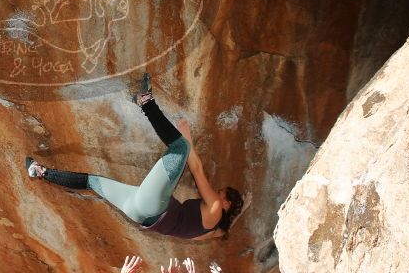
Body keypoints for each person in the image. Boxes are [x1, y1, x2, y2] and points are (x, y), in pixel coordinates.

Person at [26, 74, 245, 240]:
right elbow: (211, 233)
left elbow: (196, 170)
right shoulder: (210, 231)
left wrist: (188, 141)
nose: (215, 193)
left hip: (152, 205)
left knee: (179, 147)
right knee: (91, 181)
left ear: (226, 202)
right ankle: (39, 171)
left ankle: (146, 101)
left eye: (220, 193)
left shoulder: (216, 205)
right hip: (137, 211)